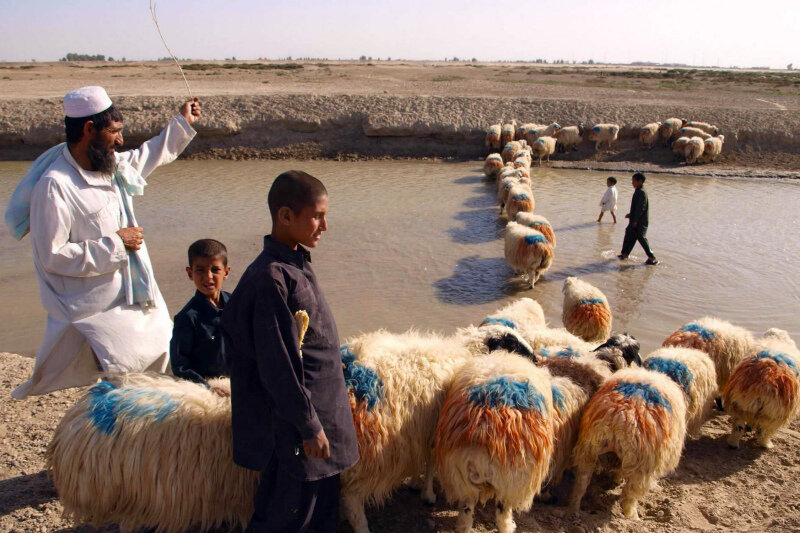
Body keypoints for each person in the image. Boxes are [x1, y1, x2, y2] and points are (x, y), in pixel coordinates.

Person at [7, 86, 201, 399]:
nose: (121, 141)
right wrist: (116, 244)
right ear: (88, 130)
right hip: (98, 309)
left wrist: (182, 122)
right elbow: (53, 256)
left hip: (138, 297)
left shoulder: (110, 166)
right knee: (128, 381)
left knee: (166, 359)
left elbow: (146, 156)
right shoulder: (55, 186)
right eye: (114, 132)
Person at [221, 171, 358, 533]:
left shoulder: (294, 264)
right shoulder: (270, 279)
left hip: (317, 415)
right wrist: (309, 426)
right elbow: (277, 364)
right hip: (293, 430)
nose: (324, 226)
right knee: (288, 515)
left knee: (320, 513)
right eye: (317, 215)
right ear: (285, 216)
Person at [169, 239, 232, 393]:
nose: (208, 276)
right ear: (190, 273)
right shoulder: (187, 318)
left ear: (226, 272)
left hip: (238, 383)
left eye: (215, 270)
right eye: (200, 270)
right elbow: (180, 365)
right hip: (209, 392)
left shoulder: (236, 305)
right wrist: (207, 387)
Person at [618, 172, 659, 265]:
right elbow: (637, 207)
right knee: (629, 234)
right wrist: (630, 214)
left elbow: (641, 207)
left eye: (633, 181)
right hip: (635, 219)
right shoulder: (638, 190)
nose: (632, 183)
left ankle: (652, 258)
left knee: (641, 238)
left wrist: (636, 220)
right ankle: (624, 254)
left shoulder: (641, 192)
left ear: (640, 181)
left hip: (640, 221)